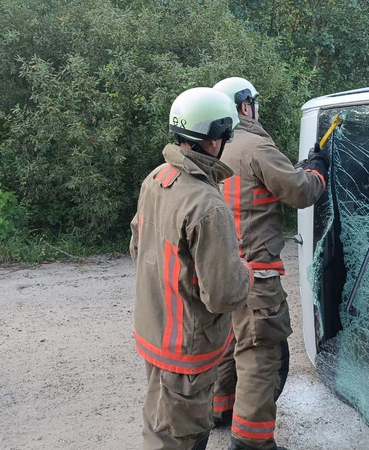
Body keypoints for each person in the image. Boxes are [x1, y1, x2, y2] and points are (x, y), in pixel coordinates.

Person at [130, 87, 254, 450]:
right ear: (215, 140)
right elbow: (224, 294)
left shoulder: (157, 178)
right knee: (178, 437)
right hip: (186, 349)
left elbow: (139, 250)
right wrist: (244, 270)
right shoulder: (207, 204)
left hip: (156, 332)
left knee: (160, 420)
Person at [211, 77, 328, 450]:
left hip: (222, 272)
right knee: (260, 356)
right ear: (245, 106)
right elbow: (301, 191)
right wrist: (316, 169)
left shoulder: (215, 149)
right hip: (256, 276)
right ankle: (251, 441)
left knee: (230, 343)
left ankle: (219, 410)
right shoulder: (256, 145)